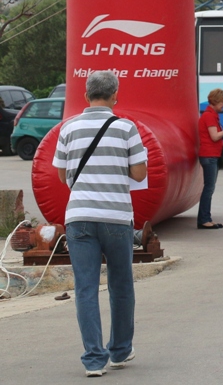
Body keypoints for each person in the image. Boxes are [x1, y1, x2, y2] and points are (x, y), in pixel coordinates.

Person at [53, 70, 148, 377]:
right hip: (116, 218)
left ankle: (94, 359)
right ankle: (119, 351)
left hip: (78, 217)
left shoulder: (68, 127)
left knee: (85, 289)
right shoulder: (126, 128)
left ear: (86, 95)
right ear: (115, 95)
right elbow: (139, 174)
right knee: (121, 285)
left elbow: (61, 174)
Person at [197, 88, 223, 229]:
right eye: (222, 102)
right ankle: (204, 219)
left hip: (211, 155)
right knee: (209, 188)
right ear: (216, 101)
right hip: (209, 155)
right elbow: (214, 136)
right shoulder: (209, 116)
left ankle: (206, 217)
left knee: (210, 187)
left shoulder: (210, 115)